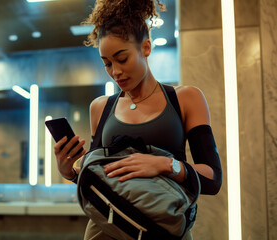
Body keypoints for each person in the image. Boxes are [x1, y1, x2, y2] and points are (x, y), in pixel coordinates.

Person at [53, 0, 222, 239]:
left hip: (164, 231)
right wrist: (70, 172)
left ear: (145, 47)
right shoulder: (100, 107)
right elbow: (100, 179)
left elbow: (213, 179)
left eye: (122, 59)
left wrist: (165, 165)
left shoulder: (185, 98)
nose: (115, 72)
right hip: (105, 231)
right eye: (107, 63)